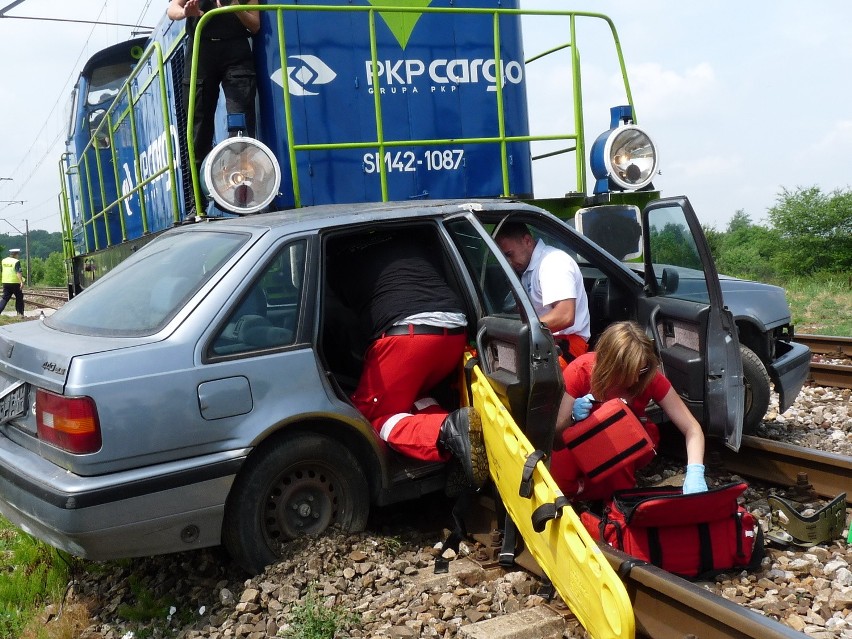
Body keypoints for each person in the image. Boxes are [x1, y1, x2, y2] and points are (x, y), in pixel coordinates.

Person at [335, 230, 488, 490]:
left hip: (409, 340)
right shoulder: (406, 237)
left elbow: (339, 317)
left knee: (370, 419)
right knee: (415, 393)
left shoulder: (339, 256)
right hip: (454, 334)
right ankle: (460, 447)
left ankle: (447, 429)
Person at [552, 320, 707, 501]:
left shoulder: (649, 377)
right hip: (581, 443)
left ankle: (615, 496)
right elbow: (555, 438)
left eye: (640, 369)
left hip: (621, 447)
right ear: (609, 365)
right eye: (627, 372)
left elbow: (692, 428)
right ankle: (581, 491)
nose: (635, 379)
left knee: (620, 484)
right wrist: (572, 416)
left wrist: (696, 471)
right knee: (560, 481)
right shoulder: (580, 371)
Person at [167, 0, 260, 165]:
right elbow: (172, 9)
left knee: (241, 116)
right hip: (200, 50)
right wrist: (186, 12)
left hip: (236, 50)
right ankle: (198, 186)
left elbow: (255, 25)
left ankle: (242, 179)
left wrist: (236, 7)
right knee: (198, 124)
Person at [494, 222, 590, 362]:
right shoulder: (528, 269)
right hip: (543, 340)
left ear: (527, 241)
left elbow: (565, 316)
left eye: (509, 254)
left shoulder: (552, 262)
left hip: (567, 346)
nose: (509, 262)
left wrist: (520, 331)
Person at [0, 248, 24, 318]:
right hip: (15, 282)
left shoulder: (4, 261)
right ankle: (20, 314)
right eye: (18, 254)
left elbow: (2, 270)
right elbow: (18, 272)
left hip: (5, 282)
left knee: (5, 298)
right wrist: (21, 282)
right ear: (16, 254)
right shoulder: (16, 261)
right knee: (19, 297)